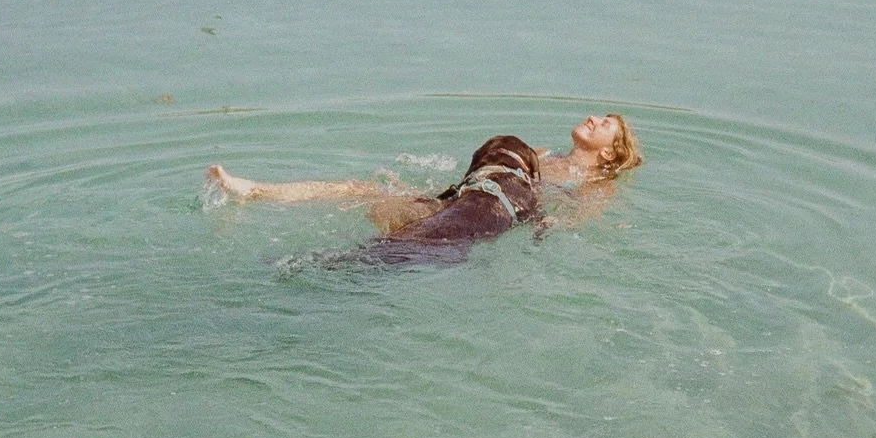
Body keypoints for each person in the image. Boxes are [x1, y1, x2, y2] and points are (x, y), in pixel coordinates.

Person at [204, 113, 642, 260]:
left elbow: (571, 222)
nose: (592, 118)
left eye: (605, 124)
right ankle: (254, 190)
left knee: (388, 231)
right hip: (466, 203)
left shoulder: (596, 185)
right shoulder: (542, 156)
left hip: (503, 221)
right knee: (362, 188)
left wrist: (545, 230)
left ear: (609, 153)